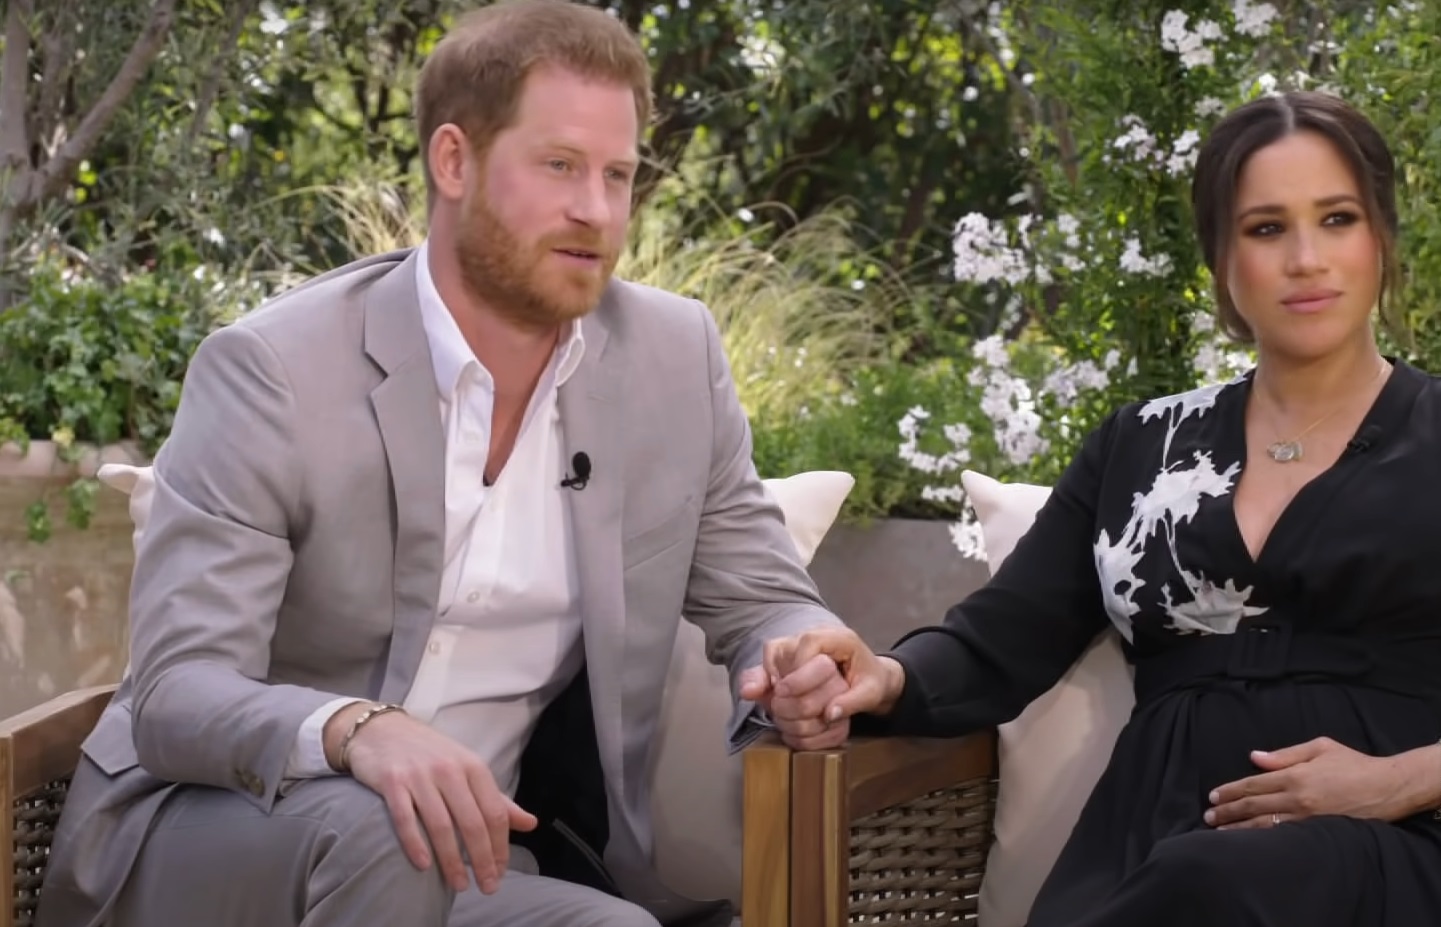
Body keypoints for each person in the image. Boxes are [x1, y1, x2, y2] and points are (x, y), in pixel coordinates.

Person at [760, 90, 1441, 926]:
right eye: (1264, 228)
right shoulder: (1138, 446)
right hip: (1150, 853)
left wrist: (1411, 778)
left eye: (1336, 219)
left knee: (1215, 883)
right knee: (1194, 882)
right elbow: (996, 644)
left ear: (1380, 239)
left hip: (1405, 857)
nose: (1305, 259)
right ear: (1219, 259)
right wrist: (883, 675)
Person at [36, 3, 851, 926]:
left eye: (617, 174)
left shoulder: (672, 357)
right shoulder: (274, 369)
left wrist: (803, 654)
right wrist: (361, 733)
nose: (595, 209)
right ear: (454, 161)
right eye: (559, 165)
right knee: (388, 828)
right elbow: (178, 690)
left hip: (473, 867)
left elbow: (762, 598)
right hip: (223, 836)